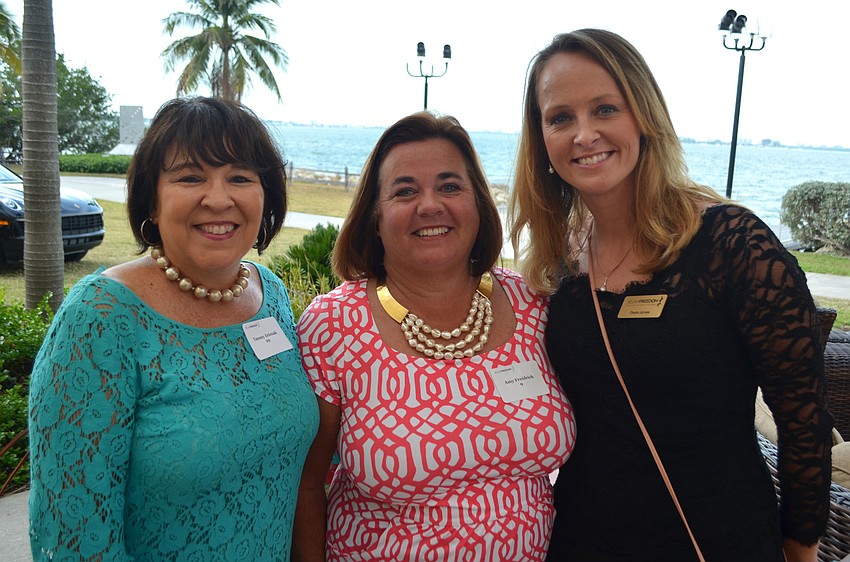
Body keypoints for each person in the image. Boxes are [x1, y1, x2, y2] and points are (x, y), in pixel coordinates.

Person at [509, 28, 833, 562]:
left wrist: (800, 548)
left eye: (605, 109)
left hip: (715, 538)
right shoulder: (559, 264)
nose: (584, 134)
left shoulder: (732, 243)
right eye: (560, 117)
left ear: (644, 117)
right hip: (583, 541)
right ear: (541, 140)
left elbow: (804, 420)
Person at [28, 96, 319, 561]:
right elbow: (74, 541)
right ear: (152, 201)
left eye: (240, 177)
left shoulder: (271, 295)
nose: (219, 198)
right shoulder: (100, 319)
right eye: (189, 177)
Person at [292, 111, 576, 562]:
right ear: (375, 216)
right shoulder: (333, 325)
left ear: (479, 204)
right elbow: (306, 484)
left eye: (449, 186)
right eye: (405, 191)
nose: (430, 205)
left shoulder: (533, 305)